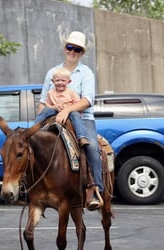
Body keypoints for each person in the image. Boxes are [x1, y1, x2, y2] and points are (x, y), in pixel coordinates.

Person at [37, 31, 103, 210]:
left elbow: (87, 100)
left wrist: (67, 110)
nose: (72, 51)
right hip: (53, 116)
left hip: (81, 118)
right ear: (64, 48)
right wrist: (39, 123)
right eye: (69, 47)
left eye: (77, 49)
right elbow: (43, 102)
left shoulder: (86, 73)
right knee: (33, 144)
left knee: (92, 148)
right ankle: (32, 185)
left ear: (82, 52)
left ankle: (95, 188)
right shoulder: (52, 72)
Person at [35, 67, 90, 147]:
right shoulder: (50, 93)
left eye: (63, 80)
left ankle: (81, 136)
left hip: (70, 111)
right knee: (45, 111)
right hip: (55, 110)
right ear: (53, 81)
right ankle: (35, 130)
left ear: (69, 81)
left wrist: (68, 108)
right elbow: (47, 104)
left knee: (76, 115)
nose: (60, 83)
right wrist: (54, 107)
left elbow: (77, 104)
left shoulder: (71, 93)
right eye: (57, 80)